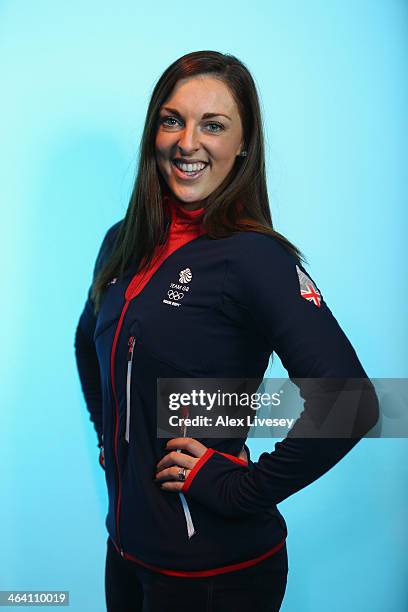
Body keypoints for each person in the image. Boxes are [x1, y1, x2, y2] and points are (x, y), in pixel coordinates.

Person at [74, 50, 379, 612]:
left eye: (213, 125)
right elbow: (88, 337)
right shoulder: (123, 241)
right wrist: (109, 433)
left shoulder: (251, 256)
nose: (188, 142)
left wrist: (243, 487)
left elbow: (352, 401)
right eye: (173, 120)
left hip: (216, 574)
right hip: (126, 558)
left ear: (243, 145)